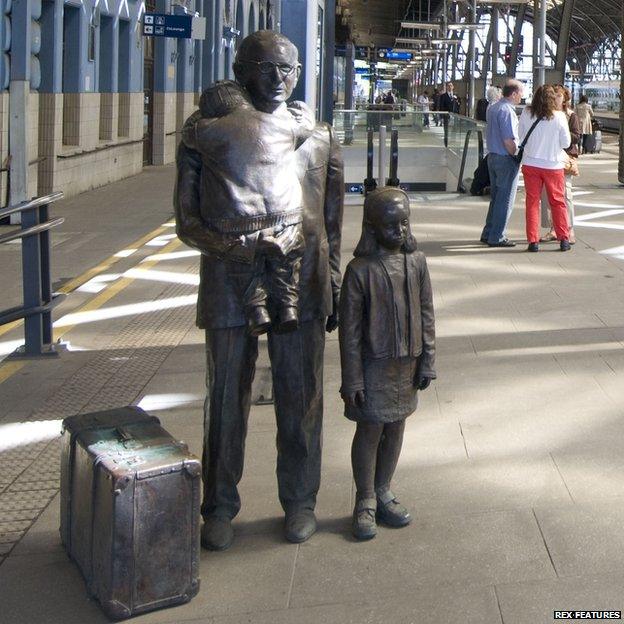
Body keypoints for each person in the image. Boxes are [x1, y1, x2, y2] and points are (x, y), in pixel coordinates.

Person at [174, 30, 344, 551]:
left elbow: (331, 218)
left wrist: (332, 277)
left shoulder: (318, 136)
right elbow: (187, 221)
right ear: (242, 69)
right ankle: (219, 506)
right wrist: (238, 250)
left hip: (304, 278)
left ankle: (300, 500)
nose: (279, 80)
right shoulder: (205, 132)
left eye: (289, 70)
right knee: (226, 396)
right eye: (267, 68)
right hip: (230, 280)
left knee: (303, 395)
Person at [339, 187, 436, 540]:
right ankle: (364, 499)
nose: (400, 231)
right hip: (373, 366)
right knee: (370, 430)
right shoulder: (359, 271)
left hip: (406, 364)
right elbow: (348, 335)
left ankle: (383, 490)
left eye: (405, 223)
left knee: (396, 426)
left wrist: (427, 359)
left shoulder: (417, 262)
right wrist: (352, 380)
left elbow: (427, 314)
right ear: (372, 227)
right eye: (392, 225)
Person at [181, 80, 315, 335]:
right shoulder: (281, 123)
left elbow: (189, 133)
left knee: (244, 267)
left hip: (238, 220)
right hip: (284, 214)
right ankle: (288, 304)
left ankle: (256, 309)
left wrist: (199, 117)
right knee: (287, 258)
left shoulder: (210, 129)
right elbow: (305, 126)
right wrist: (301, 108)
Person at [519, 84, 571, 252]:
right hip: (552, 165)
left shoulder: (526, 113)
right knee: (557, 202)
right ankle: (563, 239)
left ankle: (533, 242)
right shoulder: (559, 116)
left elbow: (520, 137)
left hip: (530, 164)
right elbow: (566, 143)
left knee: (532, 203)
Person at [479, 79, 524, 247]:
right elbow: (508, 140)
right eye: (520, 93)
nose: (522, 96)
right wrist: (516, 155)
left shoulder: (494, 107)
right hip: (505, 159)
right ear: (513, 94)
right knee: (505, 200)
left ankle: (488, 232)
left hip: (492, 157)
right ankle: (497, 236)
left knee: (496, 198)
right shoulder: (506, 110)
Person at [540, 85, 580, 245]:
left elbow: (576, 137)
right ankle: (553, 228)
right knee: (547, 194)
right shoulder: (546, 116)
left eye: (559, 96)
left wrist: (561, 130)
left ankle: (569, 229)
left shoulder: (571, 116)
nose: (555, 98)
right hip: (548, 158)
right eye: (554, 96)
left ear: (565, 99)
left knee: (565, 194)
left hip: (565, 159)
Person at [438, 81, 460, 147]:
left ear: (453, 87)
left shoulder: (456, 96)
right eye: (448, 86)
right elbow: (441, 106)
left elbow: (458, 105)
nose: (450, 87)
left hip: (454, 115)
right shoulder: (443, 96)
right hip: (446, 116)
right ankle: (446, 143)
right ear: (447, 87)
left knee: (454, 129)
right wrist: (441, 116)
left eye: (451, 86)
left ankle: (453, 141)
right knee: (446, 130)